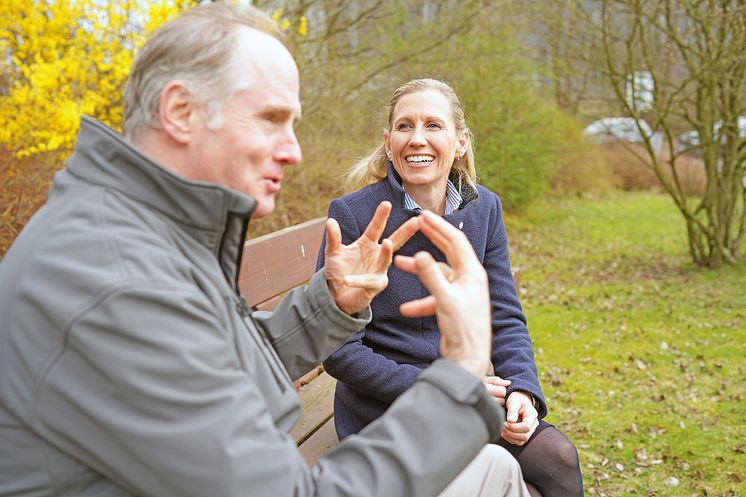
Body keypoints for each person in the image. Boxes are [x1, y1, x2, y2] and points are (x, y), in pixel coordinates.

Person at [0, 4, 531, 497]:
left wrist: (332, 307)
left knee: (499, 469)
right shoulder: (111, 276)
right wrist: (458, 375)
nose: (294, 150)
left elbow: (213, 361)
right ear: (181, 111)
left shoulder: (143, 228)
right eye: (271, 119)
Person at [318, 78, 584, 497]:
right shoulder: (355, 216)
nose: (417, 138)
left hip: (472, 395)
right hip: (390, 406)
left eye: (433, 125)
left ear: (460, 142)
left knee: (557, 459)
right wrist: (442, 385)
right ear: (388, 142)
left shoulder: (484, 208)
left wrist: (522, 390)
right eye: (405, 126)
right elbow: (338, 351)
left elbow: (504, 314)